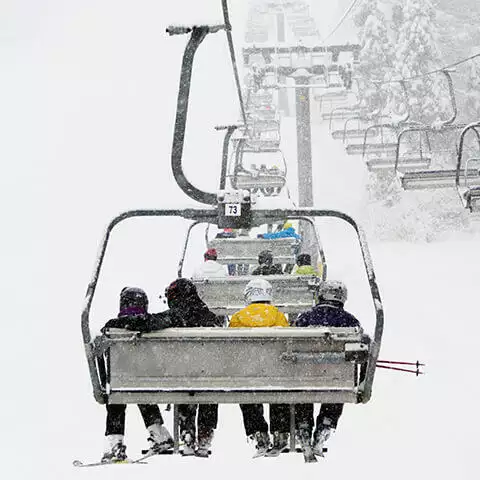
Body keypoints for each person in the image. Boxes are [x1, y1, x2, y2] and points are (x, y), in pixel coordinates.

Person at [123, 278, 223, 457]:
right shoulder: (211, 318)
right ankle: (205, 435)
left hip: (181, 376)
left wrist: (117, 323)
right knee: (208, 385)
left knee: (184, 379)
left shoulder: (175, 315)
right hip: (209, 376)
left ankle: (187, 431)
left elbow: (147, 322)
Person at [100, 287, 174, 463]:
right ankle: (159, 434)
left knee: (117, 398)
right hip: (147, 379)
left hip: (121, 380)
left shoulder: (112, 325)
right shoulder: (152, 323)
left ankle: (115, 444)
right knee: (142, 391)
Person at [293, 281, 361, 456]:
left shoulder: (304, 318)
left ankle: (303, 424)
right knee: (337, 387)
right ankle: (326, 422)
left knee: (304, 390)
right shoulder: (351, 321)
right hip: (336, 377)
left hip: (305, 373)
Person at [229, 278, 291, 456]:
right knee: (279, 391)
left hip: (248, 372)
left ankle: (258, 431)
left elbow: (231, 348)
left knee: (248, 394)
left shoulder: (238, 317)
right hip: (275, 371)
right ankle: (280, 430)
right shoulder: (278, 315)